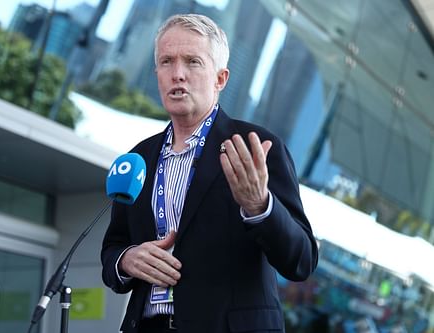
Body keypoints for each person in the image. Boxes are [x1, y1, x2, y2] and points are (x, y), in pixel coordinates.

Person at [101, 13, 318, 333]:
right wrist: (126, 260)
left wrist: (260, 206)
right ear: (156, 73)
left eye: (192, 62)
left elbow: (301, 261)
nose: (177, 74)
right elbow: (112, 249)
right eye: (166, 62)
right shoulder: (138, 158)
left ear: (220, 78)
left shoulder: (257, 147)